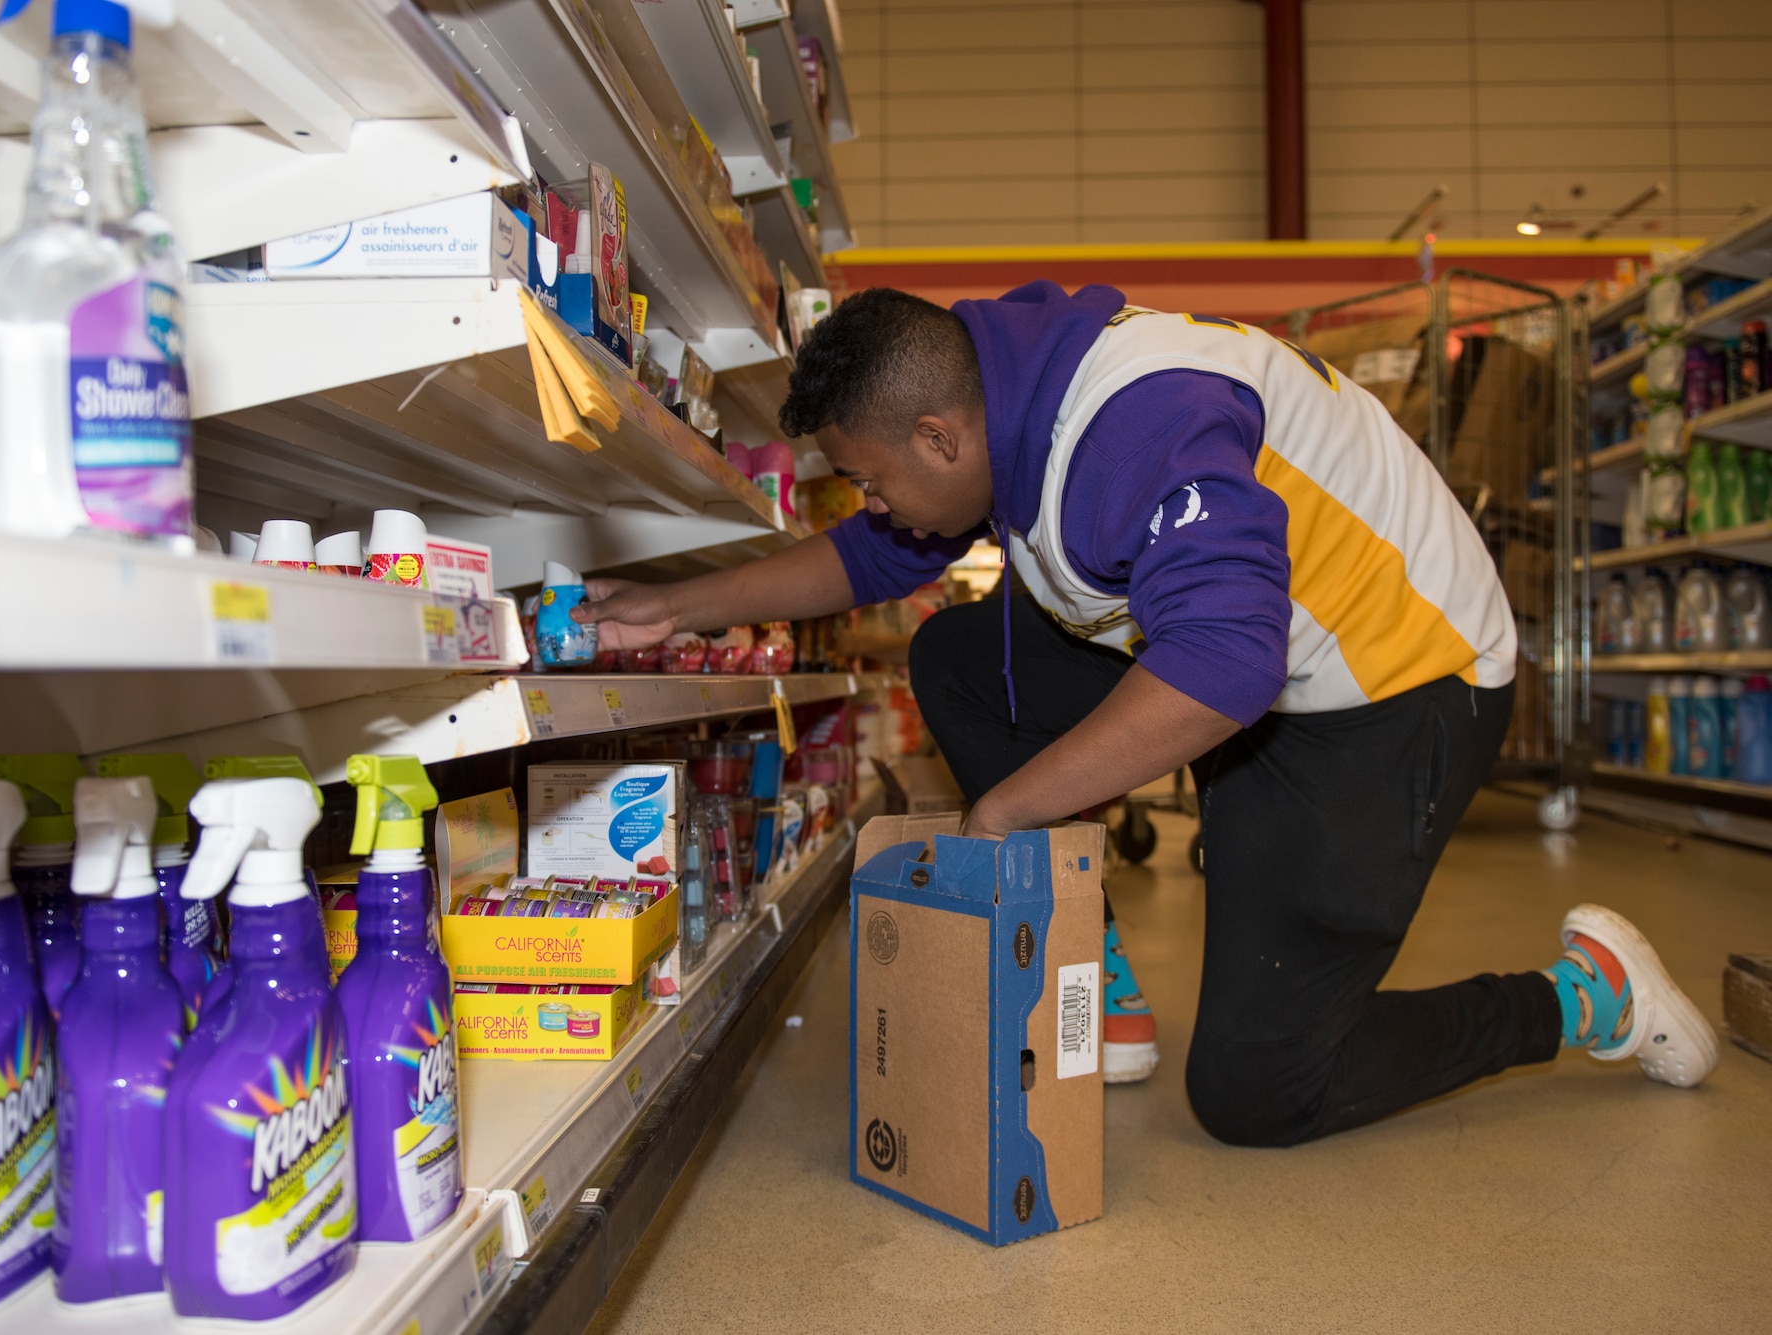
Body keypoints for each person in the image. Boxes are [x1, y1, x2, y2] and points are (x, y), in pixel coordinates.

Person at [574, 283, 1719, 1147]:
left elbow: (1226, 665)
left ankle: (1584, 998)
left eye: (872, 478)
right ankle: (1095, 976)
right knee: (960, 655)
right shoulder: (996, 383)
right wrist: (673, 605)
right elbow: (873, 554)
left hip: (1396, 685)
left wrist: (1011, 812)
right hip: (1245, 664)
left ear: (938, 438)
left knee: (1259, 1091)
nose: (874, 504)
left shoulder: (1138, 427)